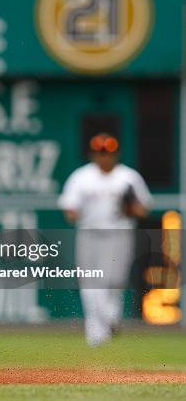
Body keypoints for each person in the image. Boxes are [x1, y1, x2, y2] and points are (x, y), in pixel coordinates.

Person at [57, 133, 152, 346]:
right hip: (89, 233)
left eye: (108, 152)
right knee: (91, 282)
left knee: (113, 281)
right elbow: (69, 209)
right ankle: (96, 332)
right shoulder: (81, 177)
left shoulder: (128, 177)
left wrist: (132, 207)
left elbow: (144, 208)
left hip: (119, 234)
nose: (104, 157)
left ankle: (111, 318)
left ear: (115, 154)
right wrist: (75, 212)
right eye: (100, 153)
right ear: (93, 154)